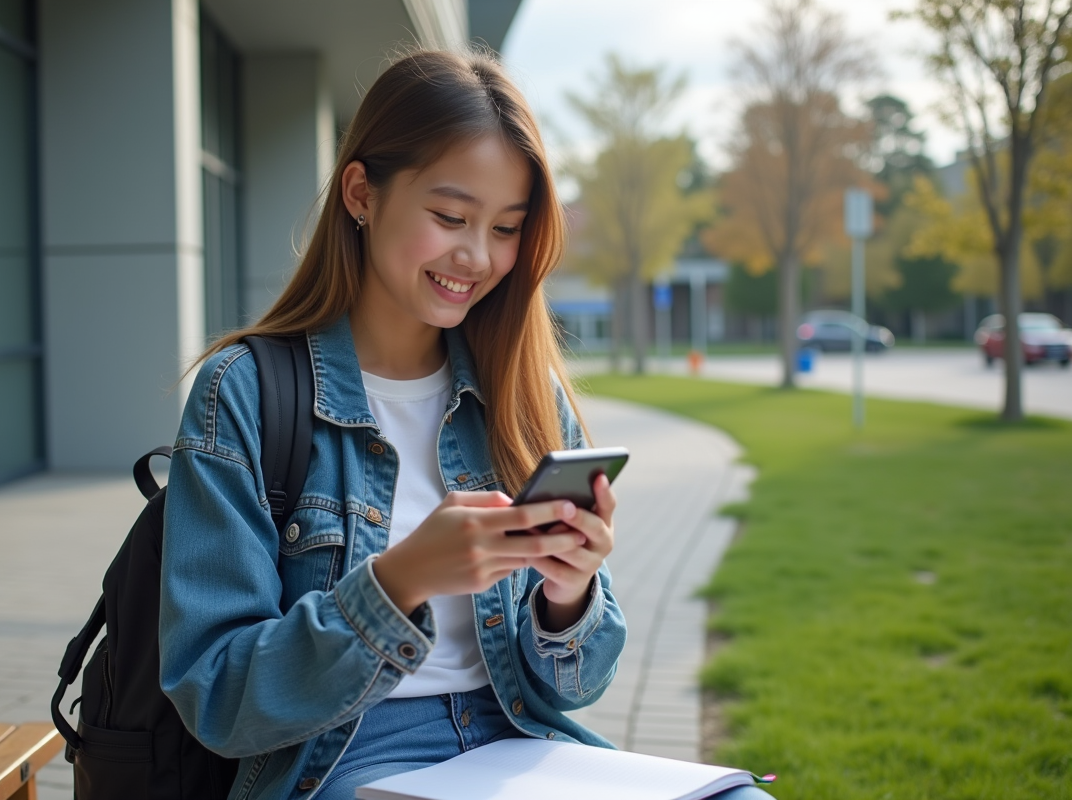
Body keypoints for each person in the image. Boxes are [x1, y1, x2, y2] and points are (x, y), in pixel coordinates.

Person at [159, 48, 769, 800]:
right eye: (450, 216)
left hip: (521, 744)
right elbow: (215, 695)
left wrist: (568, 595)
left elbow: (575, 688)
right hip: (341, 762)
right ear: (361, 193)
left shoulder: (523, 392)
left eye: (507, 228)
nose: (477, 257)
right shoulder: (244, 393)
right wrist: (401, 578)